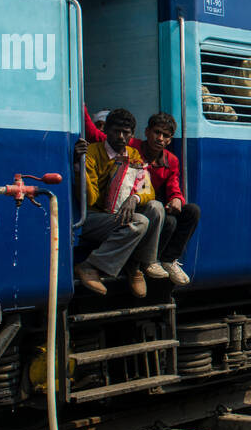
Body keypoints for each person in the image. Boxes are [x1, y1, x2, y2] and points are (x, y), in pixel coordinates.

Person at [76, 108, 159, 297]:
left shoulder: (134, 154)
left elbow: (148, 190)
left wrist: (134, 198)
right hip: (94, 217)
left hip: (118, 215)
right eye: (116, 131)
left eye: (126, 132)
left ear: (132, 134)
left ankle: (135, 266)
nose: (121, 136)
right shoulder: (93, 153)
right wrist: (79, 167)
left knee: (156, 209)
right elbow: (90, 199)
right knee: (140, 222)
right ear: (106, 130)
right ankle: (89, 265)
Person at [130, 112, 199, 286]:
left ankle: (168, 260)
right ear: (146, 132)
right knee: (169, 222)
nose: (160, 138)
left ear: (170, 140)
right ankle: (146, 263)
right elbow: (99, 136)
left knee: (192, 211)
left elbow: (173, 186)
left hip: (157, 206)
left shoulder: (171, 160)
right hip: (137, 204)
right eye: (157, 132)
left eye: (166, 135)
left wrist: (176, 199)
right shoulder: (132, 147)